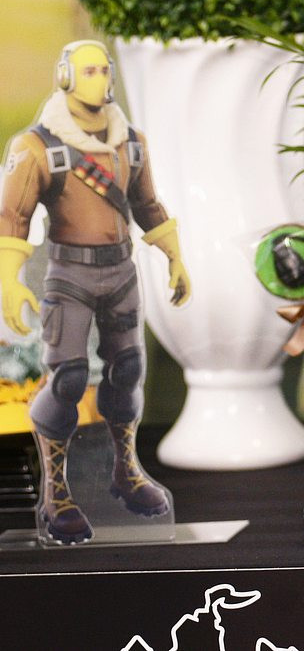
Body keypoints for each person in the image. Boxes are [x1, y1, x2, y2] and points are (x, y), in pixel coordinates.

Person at [0, 39, 190, 544]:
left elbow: (147, 205)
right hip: (70, 276)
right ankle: (56, 491)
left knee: (127, 373)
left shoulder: (130, 143)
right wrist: (9, 281)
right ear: (65, 76)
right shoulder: (37, 147)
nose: (99, 80)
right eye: (88, 72)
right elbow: (13, 217)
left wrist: (174, 257)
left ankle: (125, 470)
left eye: (104, 71)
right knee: (67, 380)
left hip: (121, 271)